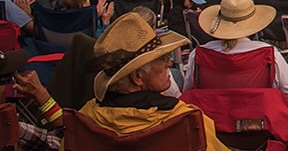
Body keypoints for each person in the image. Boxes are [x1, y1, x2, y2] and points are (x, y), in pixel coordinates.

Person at [80, 12, 231, 148]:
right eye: (162, 58)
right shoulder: (186, 120)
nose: (169, 63)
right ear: (137, 77)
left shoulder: (84, 121)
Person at [184, 0, 288, 102]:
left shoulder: (198, 55)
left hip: (212, 123)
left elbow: (188, 93)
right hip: (260, 123)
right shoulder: (268, 54)